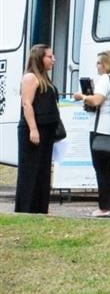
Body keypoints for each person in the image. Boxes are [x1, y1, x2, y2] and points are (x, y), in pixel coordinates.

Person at [73, 49, 110, 218]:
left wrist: (82, 96)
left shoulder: (105, 79)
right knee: (109, 169)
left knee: (100, 168)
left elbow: (97, 100)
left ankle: (104, 207)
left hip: (102, 129)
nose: (97, 66)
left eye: (99, 62)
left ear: (106, 64)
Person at [15, 44, 60, 214]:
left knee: (43, 169)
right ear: (40, 58)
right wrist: (33, 129)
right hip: (34, 128)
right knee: (30, 169)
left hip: (47, 130)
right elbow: (27, 104)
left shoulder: (45, 79)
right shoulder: (30, 78)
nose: (53, 60)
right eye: (49, 56)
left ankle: (41, 208)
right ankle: (26, 208)